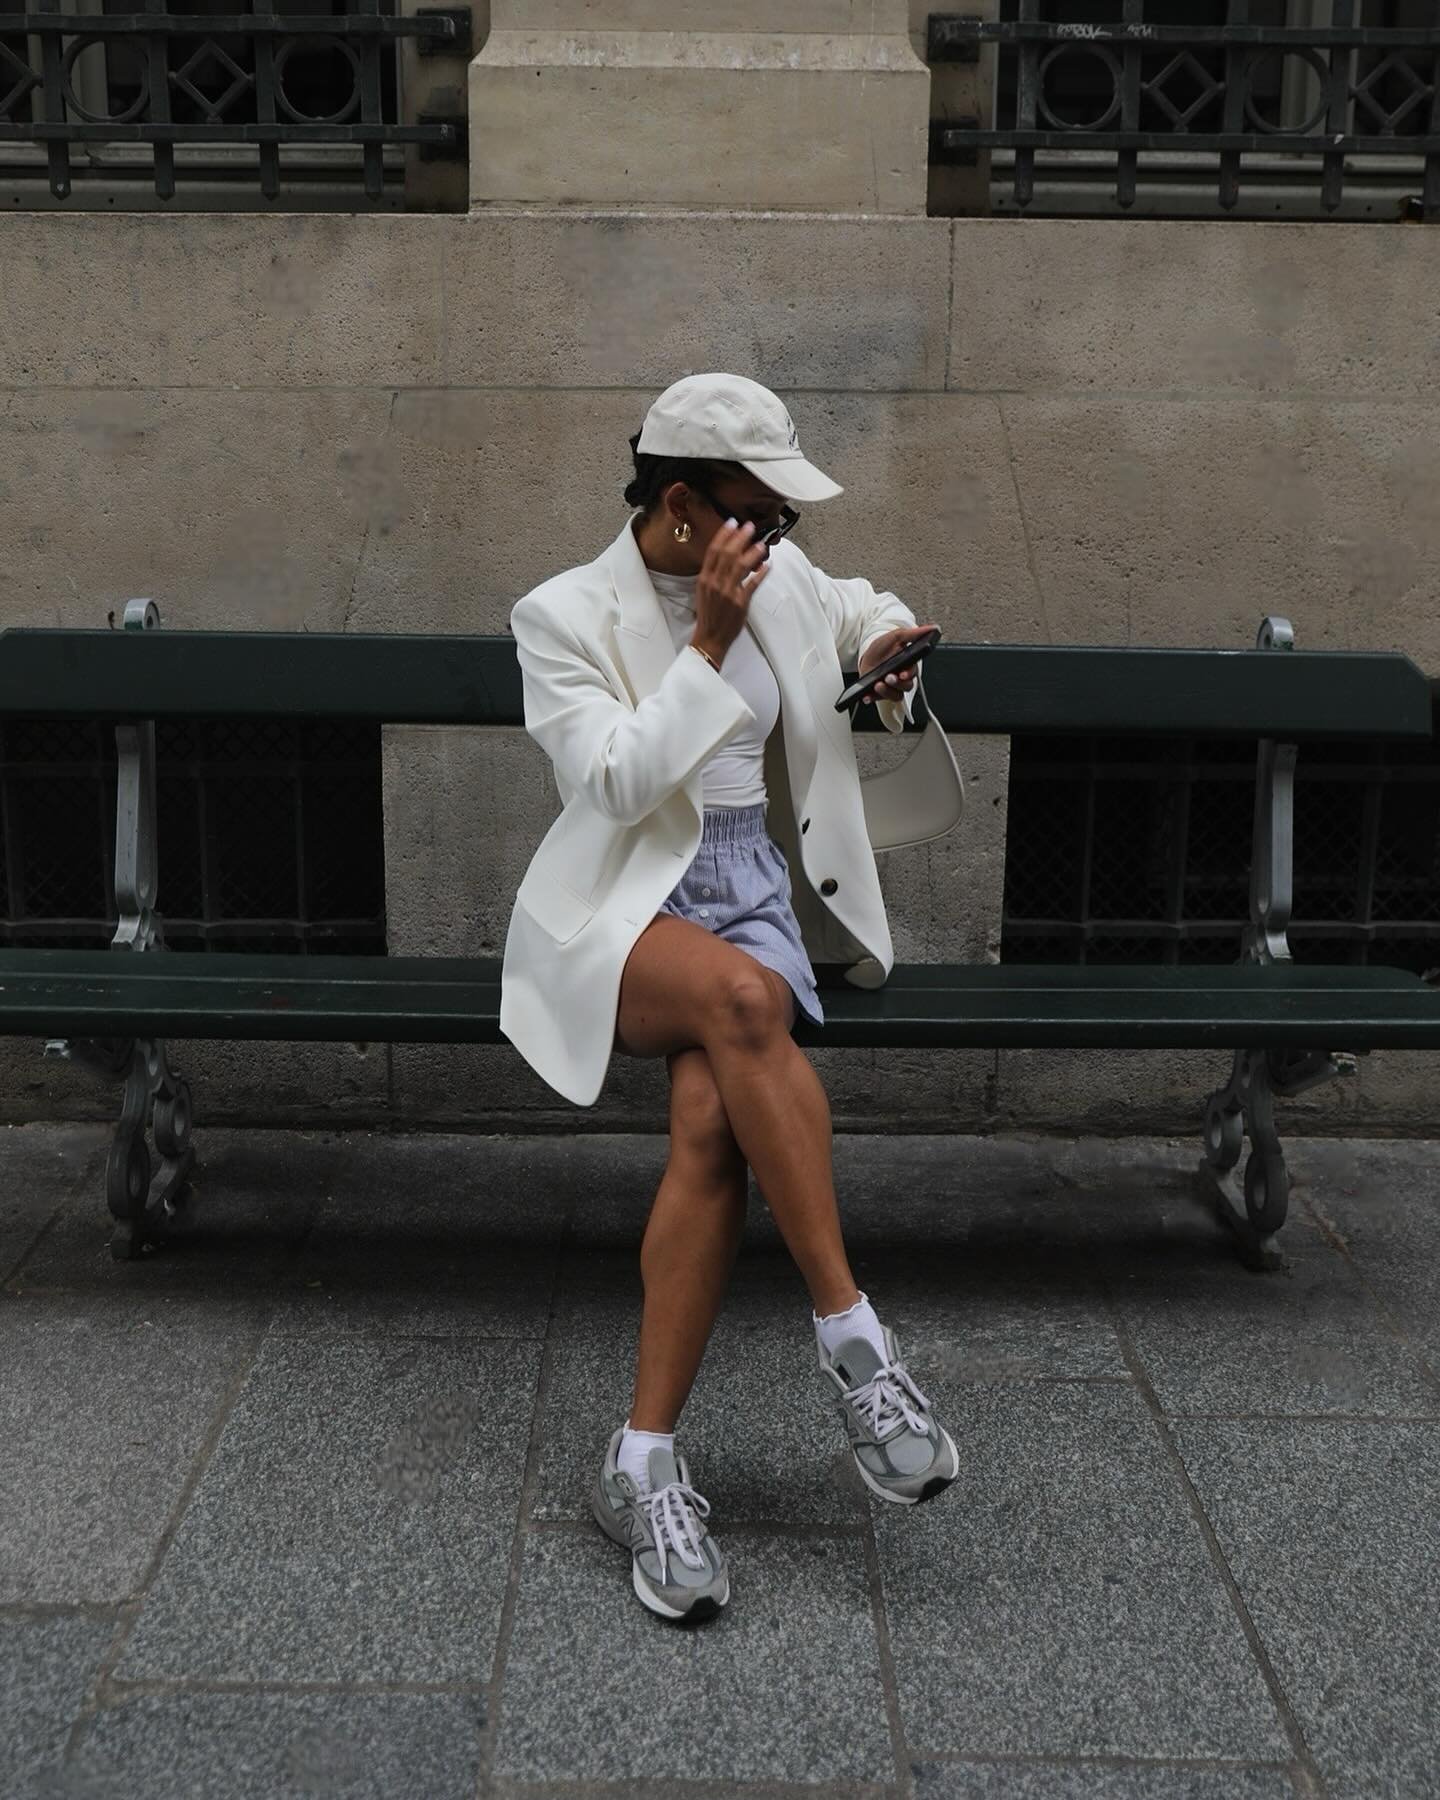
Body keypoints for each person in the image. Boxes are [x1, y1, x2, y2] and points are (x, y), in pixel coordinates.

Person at [501, 373, 964, 1624]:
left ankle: (642, 1459)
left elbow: (864, 603)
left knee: (710, 1123)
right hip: (622, 908)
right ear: (681, 507)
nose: (777, 538)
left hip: (747, 885)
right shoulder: (561, 613)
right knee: (749, 1012)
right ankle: (855, 1342)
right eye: (759, 514)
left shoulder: (781, 574)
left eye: (782, 518)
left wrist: (884, 646)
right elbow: (613, 785)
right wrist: (705, 644)